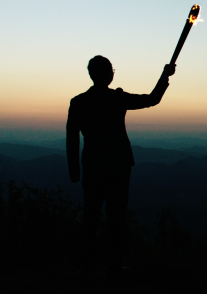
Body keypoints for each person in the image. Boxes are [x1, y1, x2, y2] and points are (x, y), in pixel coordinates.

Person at [66, 55, 175, 278]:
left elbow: (72, 138)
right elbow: (152, 99)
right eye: (111, 70)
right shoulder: (116, 98)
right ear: (107, 74)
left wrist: (74, 169)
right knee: (115, 216)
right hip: (118, 165)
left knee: (91, 216)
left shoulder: (78, 102)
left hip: (93, 165)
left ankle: (86, 267)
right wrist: (165, 76)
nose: (113, 73)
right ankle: (113, 267)